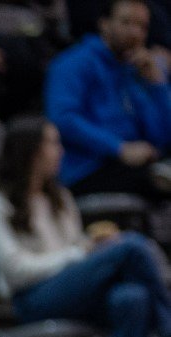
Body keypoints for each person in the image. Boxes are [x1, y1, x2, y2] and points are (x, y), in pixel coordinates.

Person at [0, 116, 171, 337]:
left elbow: (75, 247)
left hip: (72, 291)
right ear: (30, 151)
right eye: (53, 144)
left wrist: (92, 248)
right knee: (132, 246)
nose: (61, 151)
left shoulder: (61, 198)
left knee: (133, 298)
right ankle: (167, 327)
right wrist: (77, 255)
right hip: (32, 297)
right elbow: (15, 270)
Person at [46, 0, 171, 199]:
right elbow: (63, 119)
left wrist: (158, 86)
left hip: (134, 166)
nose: (135, 33)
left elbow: (163, 135)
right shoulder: (73, 63)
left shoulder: (136, 70)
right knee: (157, 180)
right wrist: (119, 148)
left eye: (142, 27)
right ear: (104, 23)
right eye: (126, 22)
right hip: (85, 170)